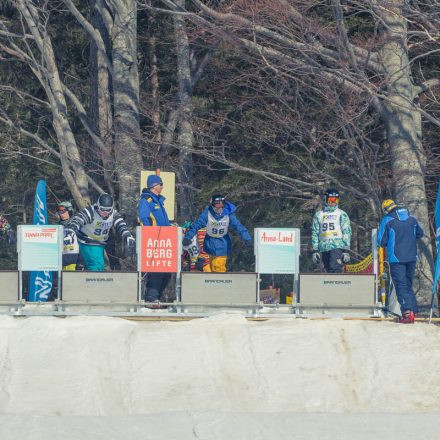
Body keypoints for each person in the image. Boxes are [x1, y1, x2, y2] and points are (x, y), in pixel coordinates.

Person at [378, 199, 424, 324]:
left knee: (400, 285)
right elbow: (420, 233)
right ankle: (415, 311)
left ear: (386, 209)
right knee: (408, 285)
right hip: (412, 256)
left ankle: (407, 313)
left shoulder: (387, 220)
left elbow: (381, 241)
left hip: (396, 258)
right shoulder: (411, 218)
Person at [182, 194, 252, 273]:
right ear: (212, 204)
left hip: (222, 242)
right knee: (208, 267)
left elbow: (238, 226)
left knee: (217, 266)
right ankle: (209, 283)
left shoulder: (228, 214)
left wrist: (247, 238)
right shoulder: (207, 213)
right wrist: (188, 237)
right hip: (209, 241)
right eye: (217, 204)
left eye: (221, 204)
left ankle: (219, 282)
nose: (219, 207)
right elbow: (196, 225)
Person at [65, 193, 135, 271]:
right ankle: (94, 281)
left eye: (108, 210)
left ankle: (84, 278)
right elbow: (78, 220)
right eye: (102, 209)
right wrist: (71, 229)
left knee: (89, 266)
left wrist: (127, 235)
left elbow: (121, 225)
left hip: (99, 243)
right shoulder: (91, 212)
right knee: (97, 266)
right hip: (87, 241)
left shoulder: (113, 214)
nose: (105, 212)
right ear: (98, 206)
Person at [137, 175, 171, 302]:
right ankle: (151, 298)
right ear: (154, 185)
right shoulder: (146, 200)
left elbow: (162, 221)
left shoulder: (158, 201)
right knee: (156, 270)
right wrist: (150, 232)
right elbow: (144, 217)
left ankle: (158, 297)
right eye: (160, 184)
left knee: (167, 272)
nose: (162, 186)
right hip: (154, 239)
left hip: (165, 239)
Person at [311, 188, 351, 273]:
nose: (333, 203)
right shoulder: (319, 215)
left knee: (334, 267)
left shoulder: (341, 214)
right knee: (328, 269)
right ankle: (329, 285)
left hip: (337, 245)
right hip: (324, 247)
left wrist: (346, 250)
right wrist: (315, 250)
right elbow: (315, 232)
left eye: (335, 200)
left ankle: (335, 285)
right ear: (326, 199)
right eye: (331, 200)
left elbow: (346, 231)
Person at [56, 201, 79, 271]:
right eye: (60, 212)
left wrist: (81, 262)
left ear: (70, 211)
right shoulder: (59, 227)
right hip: (62, 262)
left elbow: (82, 244)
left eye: (64, 211)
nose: (61, 214)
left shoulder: (76, 224)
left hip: (74, 262)